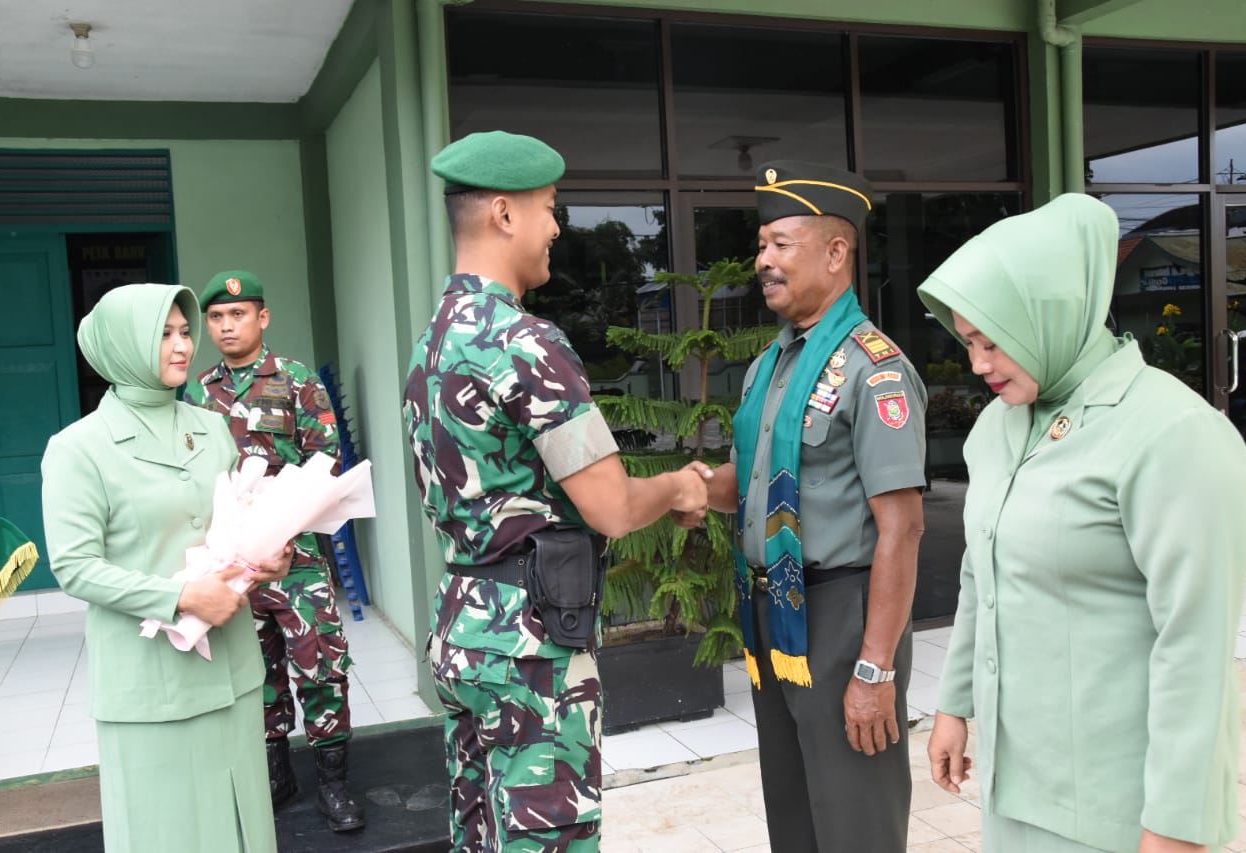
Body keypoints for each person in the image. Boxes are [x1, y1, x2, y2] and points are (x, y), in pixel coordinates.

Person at [401, 130, 710, 852]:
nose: (556, 227)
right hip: (529, 643)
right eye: (549, 208)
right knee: (550, 837)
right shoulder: (525, 343)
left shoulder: (433, 341)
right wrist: (675, 487)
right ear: (504, 214)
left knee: (481, 833)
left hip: (463, 629)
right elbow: (610, 505)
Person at [920, 193, 1246, 852]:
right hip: (1017, 785)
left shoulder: (1173, 434)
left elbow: (1195, 644)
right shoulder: (998, 427)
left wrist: (1176, 825)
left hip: (1120, 807)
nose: (977, 362)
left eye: (993, 340)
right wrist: (954, 704)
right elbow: (977, 575)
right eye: (968, 340)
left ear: (1053, 316)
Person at [691, 161, 927, 852]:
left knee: (855, 818)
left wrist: (875, 667)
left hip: (844, 616)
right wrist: (688, 491)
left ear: (835, 251)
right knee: (793, 813)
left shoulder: (874, 369)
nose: (763, 260)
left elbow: (904, 528)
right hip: (776, 617)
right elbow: (752, 481)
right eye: (760, 245)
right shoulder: (772, 365)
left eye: (780, 243)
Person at [40, 283, 287, 852]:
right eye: (163, 335)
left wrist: (270, 556)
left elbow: (234, 528)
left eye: (183, 332)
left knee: (243, 827)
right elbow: (75, 566)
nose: (182, 346)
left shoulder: (211, 428)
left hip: (231, 672)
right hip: (151, 683)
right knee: (168, 833)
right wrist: (179, 599)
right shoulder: (79, 448)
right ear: (123, 345)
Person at [183, 270, 364, 833]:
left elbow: (325, 463)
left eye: (238, 314)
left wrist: (282, 531)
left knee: (321, 664)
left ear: (261, 318)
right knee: (256, 670)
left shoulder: (296, 381)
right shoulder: (199, 393)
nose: (226, 325)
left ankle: (334, 786)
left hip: (296, 555)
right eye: (216, 317)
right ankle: (276, 776)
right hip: (232, 558)